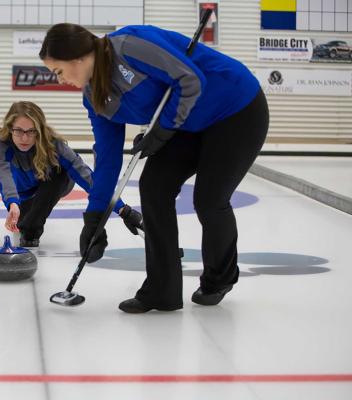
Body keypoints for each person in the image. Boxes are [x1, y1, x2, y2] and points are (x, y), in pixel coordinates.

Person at [40, 23, 269, 313]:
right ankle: (162, 290)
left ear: (77, 59)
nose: (60, 80)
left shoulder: (129, 45)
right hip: (186, 122)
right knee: (154, 187)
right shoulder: (94, 97)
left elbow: (190, 80)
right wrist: (95, 217)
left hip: (235, 108)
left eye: (59, 71)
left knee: (209, 199)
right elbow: (108, 158)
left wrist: (161, 131)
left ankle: (219, 279)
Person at [0, 101, 143, 248]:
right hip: (23, 193)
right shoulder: (0, 145)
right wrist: (13, 203)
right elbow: (5, 178)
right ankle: (27, 215)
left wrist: (124, 210)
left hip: (53, 182)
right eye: (18, 131)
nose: (24, 138)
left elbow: (86, 176)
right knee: (22, 219)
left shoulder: (53, 144)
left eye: (31, 131)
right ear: (10, 128)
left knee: (59, 172)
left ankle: (31, 231)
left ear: (40, 130)